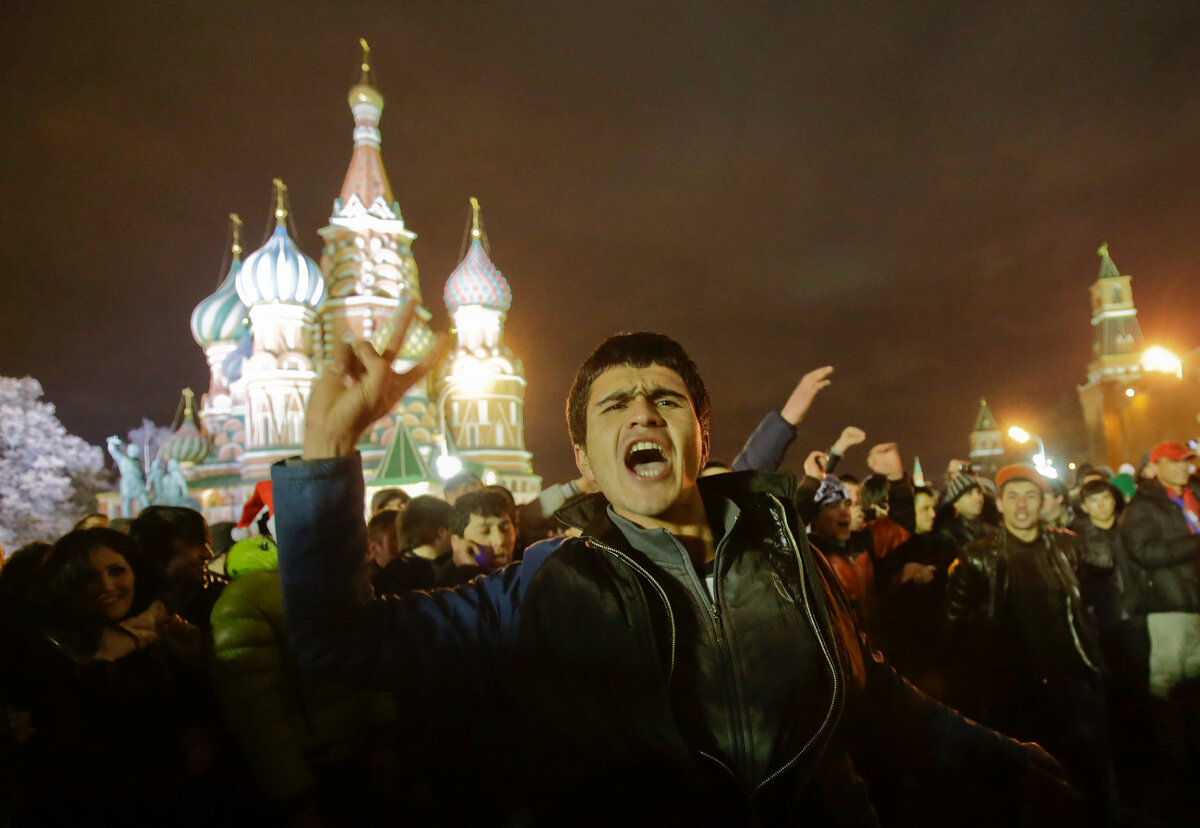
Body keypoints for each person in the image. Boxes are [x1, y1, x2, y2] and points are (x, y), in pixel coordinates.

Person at [274, 325, 1070, 825]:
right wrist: (324, 460)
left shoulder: (788, 556)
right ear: (585, 462)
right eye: (614, 406)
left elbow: (874, 695)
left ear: (701, 434)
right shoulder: (544, 587)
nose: (644, 414)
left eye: (666, 400)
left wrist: (998, 754)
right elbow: (340, 642)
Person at [945, 464, 1115, 825]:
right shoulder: (977, 556)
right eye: (1013, 497)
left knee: (1092, 777)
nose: (1022, 505)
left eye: (1031, 496)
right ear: (1001, 505)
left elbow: (1094, 588)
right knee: (1024, 788)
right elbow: (954, 627)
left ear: (1044, 502)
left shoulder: (1068, 545)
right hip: (1011, 689)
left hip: (1071, 682)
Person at [10, 528, 210, 823]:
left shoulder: (168, 633)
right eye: (89, 577)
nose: (106, 585)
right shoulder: (43, 651)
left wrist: (196, 661)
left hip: (171, 800)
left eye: (116, 570)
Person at [130, 505, 225, 631]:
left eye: (207, 544)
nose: (209, 554)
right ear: (159, 549)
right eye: (196, 544)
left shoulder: (220, 598)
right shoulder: (127, 605)